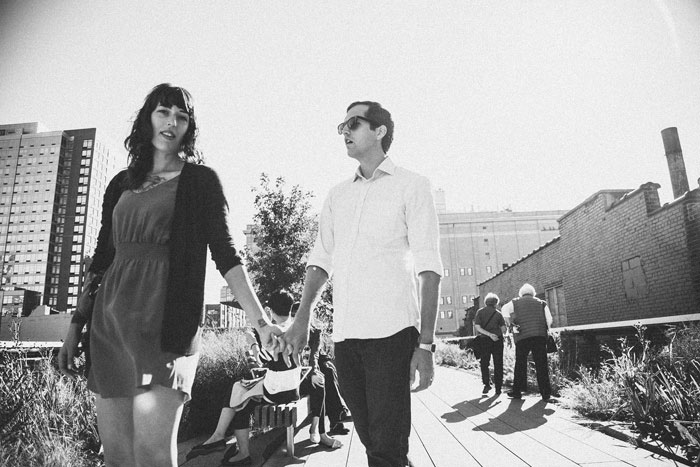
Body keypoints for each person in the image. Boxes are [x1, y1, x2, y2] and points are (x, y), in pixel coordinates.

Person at [57, 83, 282, 467]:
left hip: (166, 329)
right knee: (117, 458)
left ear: (188, 127)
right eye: (164, 112)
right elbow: (100, 261)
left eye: (182, 116)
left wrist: (261, 322)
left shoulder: (200, 182)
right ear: (147, 119)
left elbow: (226, 254)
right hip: (109, 328)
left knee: (153, 456)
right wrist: (76, 326)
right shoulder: (120, 184)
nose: (172, 121)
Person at [278, 101, 443, 467]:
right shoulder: (338, 194)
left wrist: (426, 345)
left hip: (392, 334)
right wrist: (302, 316)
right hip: (346, 338)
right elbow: (321, 260)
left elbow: (429, 267)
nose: (345, 132)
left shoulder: (412, 185)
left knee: (386, 449)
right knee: (374, 444)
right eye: (342, 126)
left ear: (380, 130)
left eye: (354, 123)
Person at [218, 291, 341, 466]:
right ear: (292, 309)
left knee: (240, 398)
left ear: (270, 311)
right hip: (293, 389)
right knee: (318, 383)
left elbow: (261, 362)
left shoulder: (272, 334)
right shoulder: (295, 330)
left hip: (275, 392)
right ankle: (320, 433)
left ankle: (239, 449)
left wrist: (253, 343)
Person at [500, 283, 554, 401]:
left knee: (520, 363)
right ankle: (545, 393)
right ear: (533, 293)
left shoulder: (515, 302)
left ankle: (518, 391)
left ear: (521, 293)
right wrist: (546, 329)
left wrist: (510, 323)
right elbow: (549, 319)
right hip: (539, 336)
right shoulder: (541, 303)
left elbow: (504, 309)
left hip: (522, 336)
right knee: (541, 364)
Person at [473, 293, 508, 395]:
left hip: (484, 340)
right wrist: (496, 333)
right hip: (497, 340)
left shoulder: (480, 312)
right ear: (496, 303)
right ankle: (498, 388)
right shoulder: (498, 314)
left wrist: (488, 334)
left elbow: (477, 327)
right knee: (498, 363)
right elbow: (504, 330)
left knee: (484, 363)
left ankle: (487, 384)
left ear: (486, 302)